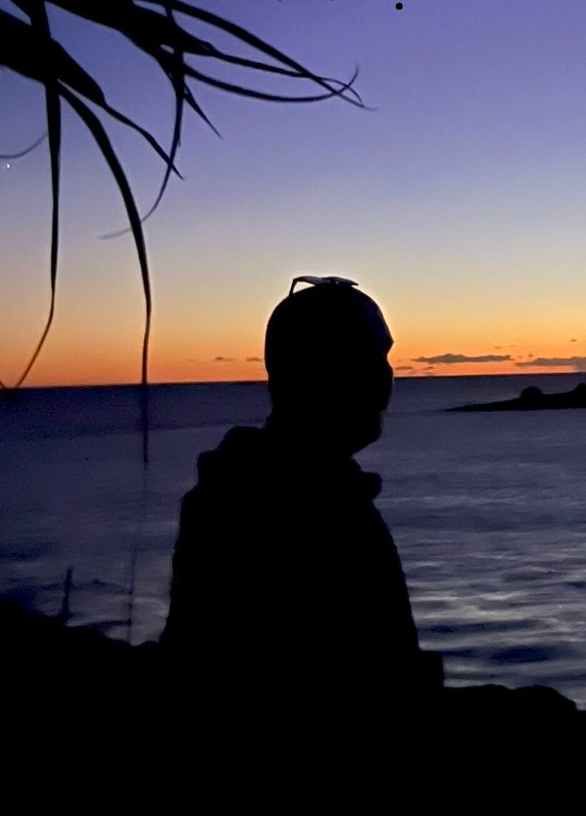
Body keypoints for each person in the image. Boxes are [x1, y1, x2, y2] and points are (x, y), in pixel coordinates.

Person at [161, 276, 440, 706]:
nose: (385, 376)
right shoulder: (306, 510)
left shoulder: (245, 488)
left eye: (386, 357)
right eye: (365, 357)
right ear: (312, 373)